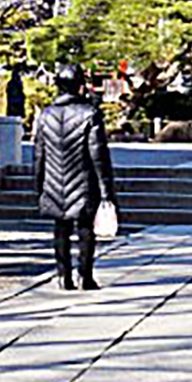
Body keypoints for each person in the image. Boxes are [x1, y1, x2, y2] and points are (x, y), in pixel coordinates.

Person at [33, 63, 116, 290]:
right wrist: (106, 188)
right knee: (85, 228)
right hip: (83, 179)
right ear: (80, 86)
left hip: (54, 179)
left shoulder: (45, 115)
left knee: (60, 227)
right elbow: (98, 155)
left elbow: (39, 154)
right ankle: (85, 276)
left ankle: (63, 276)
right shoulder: (90, 114)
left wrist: (39, 184)